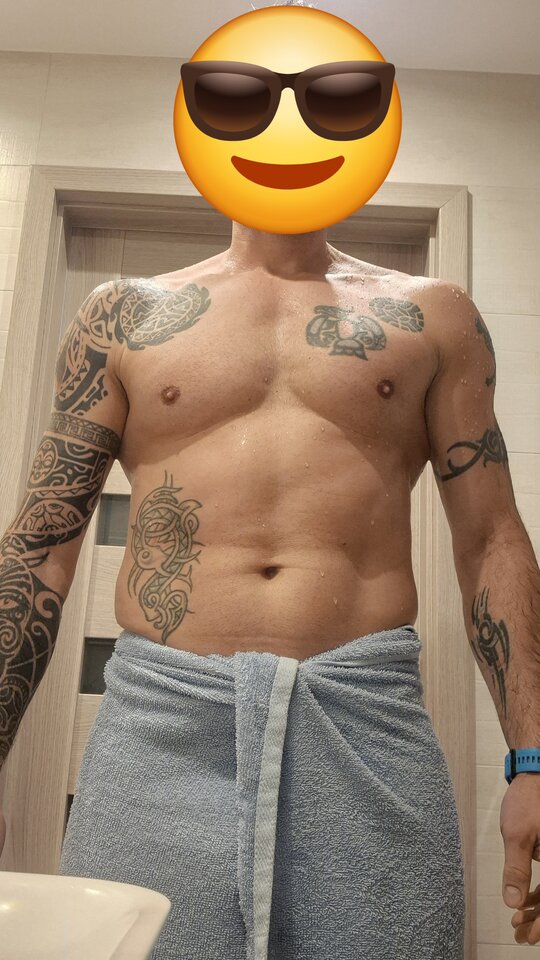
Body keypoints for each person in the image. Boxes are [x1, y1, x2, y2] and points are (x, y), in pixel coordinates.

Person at [0, 220, 522, 958]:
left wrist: (533, 759)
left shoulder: (432, 314)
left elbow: (491, 539)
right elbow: (40, 546)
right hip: (163, 726)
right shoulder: (123, 315)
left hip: (363, 719)